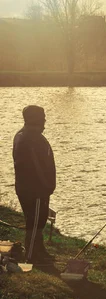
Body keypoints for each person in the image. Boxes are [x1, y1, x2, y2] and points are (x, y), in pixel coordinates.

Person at [12, 105, 56, 265]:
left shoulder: (29, 136)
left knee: (39, 220)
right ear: (34, 119)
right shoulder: (29, 138)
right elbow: (35, 166)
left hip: (35, 189)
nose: (45, 121)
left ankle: (39, 250)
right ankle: (31, 256)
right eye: (42, 117)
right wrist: (46, 186)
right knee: (35, 222)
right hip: (34, 190)